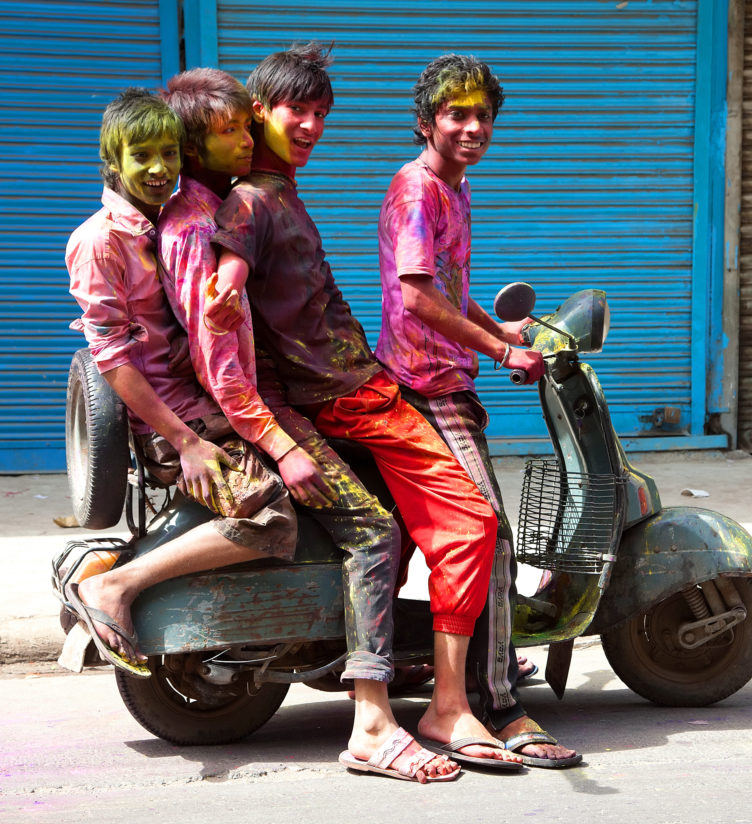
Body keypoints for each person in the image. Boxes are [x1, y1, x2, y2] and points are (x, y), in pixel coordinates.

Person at [205, 44, 521, 774]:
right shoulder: (257, 200)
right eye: (297, 112)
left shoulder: (285, 191)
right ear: (257, 115)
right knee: (474, 525)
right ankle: (437, 708)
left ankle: (427, 686)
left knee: (428, 530)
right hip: (355, 396)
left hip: (364, 384)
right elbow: (238, 258)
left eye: (322, 114)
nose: (312, 126)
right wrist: (225, 283)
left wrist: (499, 332)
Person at [153, 68, 457, 784]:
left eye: (322, 112)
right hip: (263, 416)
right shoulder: (210, 222)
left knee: (394, 501)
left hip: (308, 391)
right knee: (373, 528)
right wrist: (285, 446)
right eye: (230, 129)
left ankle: (378, 644)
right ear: (200, 141)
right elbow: (226, 372)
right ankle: (373, 722)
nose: (246, 136)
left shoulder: (242, 201)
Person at [375, 53, 581, 768]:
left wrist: (502, 332)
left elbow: (446, 284)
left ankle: (461, 671)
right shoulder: (418, 190)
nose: (471, 127)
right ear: (427, 120)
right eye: (456, 114)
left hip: (446, 376)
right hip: (425, 387)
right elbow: (414, 297)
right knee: (486, 532)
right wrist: (497, 355)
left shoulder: (456, 189)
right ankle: (495, 702)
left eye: (482, 115)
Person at [64, 89, 297, 682]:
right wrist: (187, 442)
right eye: (141, 154)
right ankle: (116, 586)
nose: (159, 168)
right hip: (174, 423)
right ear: (111, 160)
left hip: (200, 405)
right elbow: (113, 360)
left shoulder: (160, 222)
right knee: (274, 516)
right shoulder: (100, 241)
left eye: (168, 152)